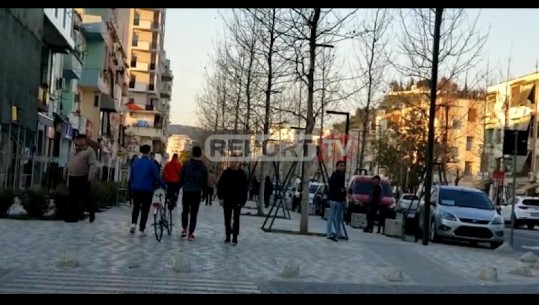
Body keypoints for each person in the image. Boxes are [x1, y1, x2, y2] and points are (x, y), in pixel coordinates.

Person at [129, 145, 167, 235]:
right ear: (149, 152)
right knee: (145, 209)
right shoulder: (152, 164)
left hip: (136, 188)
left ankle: (133, 224)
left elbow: (132, 177)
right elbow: (157, 177)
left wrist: (131, 186)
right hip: (147, 189)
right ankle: (142, 229)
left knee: (136, 207)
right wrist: (164, 186)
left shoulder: (136, 162)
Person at [178, 146, 208, 241]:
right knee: (194, 213)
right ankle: (191, 234)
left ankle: (184, 229)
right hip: (197, 192)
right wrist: (204, 193)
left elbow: (181, 177)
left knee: (185, 210)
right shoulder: (203, 167)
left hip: (186, 190)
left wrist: (178, 188)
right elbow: (205, 181)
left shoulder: (186, 164)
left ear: (192, 153)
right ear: (200, 154)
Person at [65, 134, 97, 223]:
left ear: (85, 140)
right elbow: (70, 162)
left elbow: (92, 164)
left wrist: (90, 176)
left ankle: (91, 213)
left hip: (83, 177)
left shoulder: (89, 151)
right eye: (77, 140)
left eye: (80, 139)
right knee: (72, 197)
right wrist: (67, 172)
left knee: (85, 197)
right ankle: (73, 216)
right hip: (72, 176)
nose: (78, 141)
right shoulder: (73, 150)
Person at [217, 159, 248, 245]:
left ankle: (234, 237)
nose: (233, 163)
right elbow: (220, 185)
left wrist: (243, 200)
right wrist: (220, 198)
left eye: (235, 162)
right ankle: (227, 236)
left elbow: (245, 188)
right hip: (227, 199)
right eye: (231, 162)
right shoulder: (226, 173)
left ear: (238, 163)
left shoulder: (242, 174)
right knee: (227, 219)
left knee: (236, 219)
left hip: (237, 200)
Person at [326, 161, 347, 241]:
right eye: (341, 165)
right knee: (331, 217)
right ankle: (329, 233)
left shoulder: (341, 176)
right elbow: (334, 188)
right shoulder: (335, 175)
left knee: (338, 218)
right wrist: (340, 191)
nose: (342, 167)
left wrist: (343, 195)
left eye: (343, 166)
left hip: (339, 200)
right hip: (334, 199)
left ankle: (338, 233)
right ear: (337, 166)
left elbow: (342, 189)